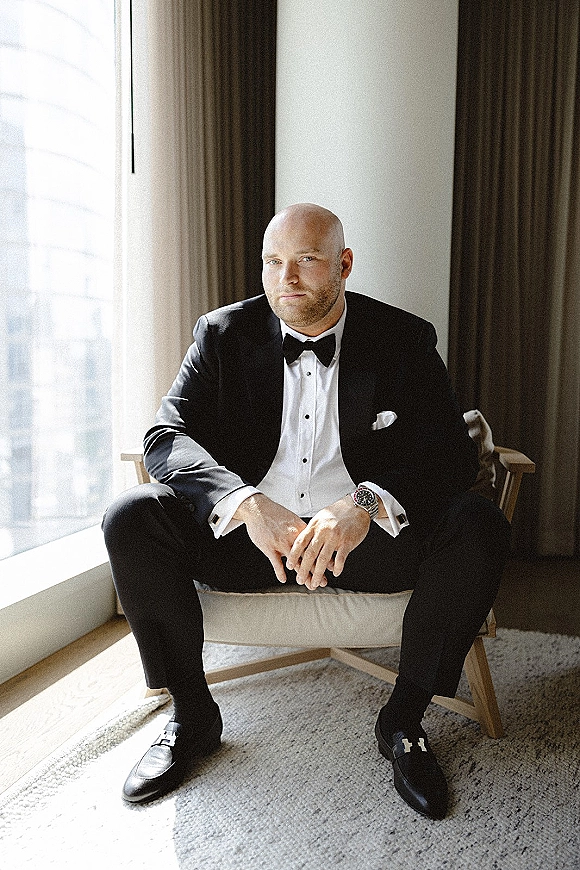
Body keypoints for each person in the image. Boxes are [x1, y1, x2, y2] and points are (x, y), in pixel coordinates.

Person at [102, 203, 510, 819]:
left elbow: (450, 456)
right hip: (254, 545)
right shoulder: (222, 334)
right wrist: (244, 503)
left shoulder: (402, 339)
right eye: (274, 262)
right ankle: (191, 715)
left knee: (480, 525)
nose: (286, 278)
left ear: (343, 264)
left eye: (307, 261)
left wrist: (366, 503)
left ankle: (404, 721)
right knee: (131, 515)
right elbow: (166, 436)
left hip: (362, 546)